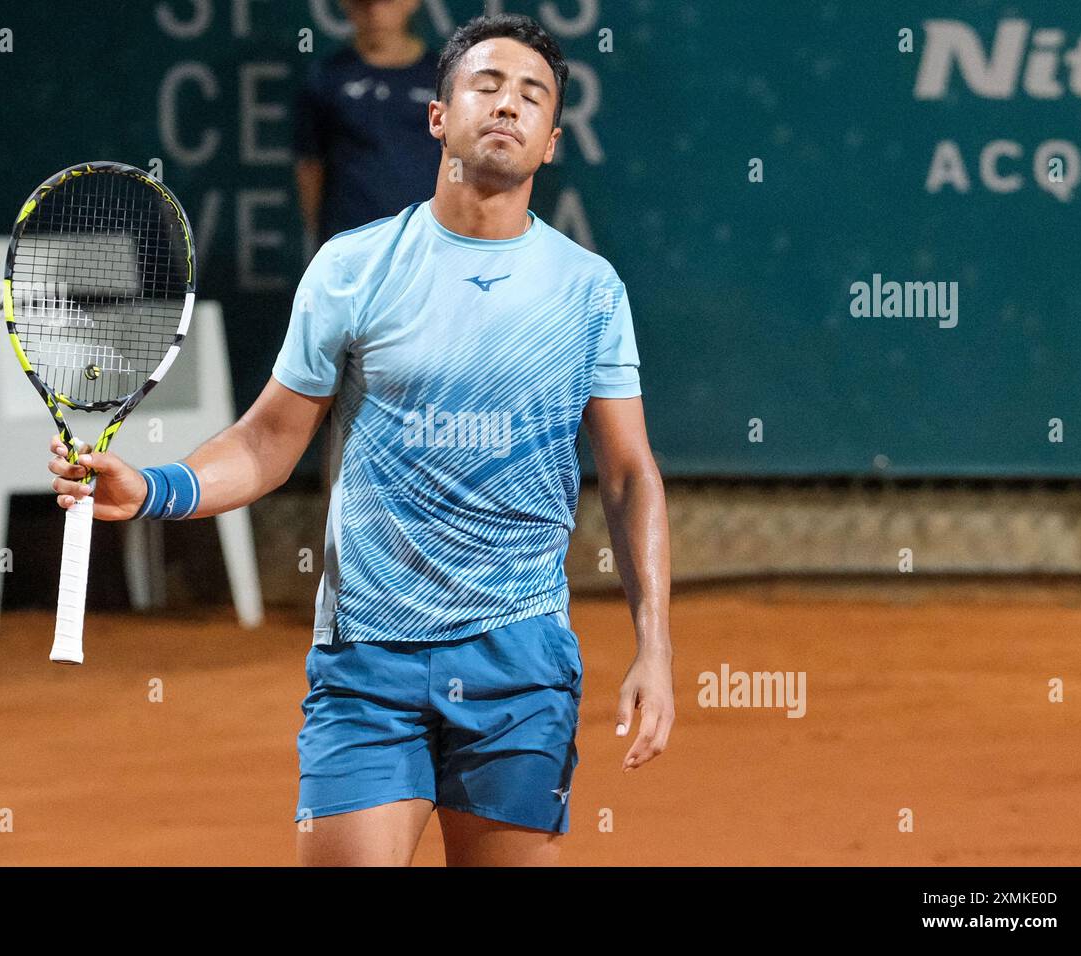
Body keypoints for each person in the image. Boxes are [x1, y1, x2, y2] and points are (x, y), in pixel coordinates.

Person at [47, 12, 674, 867]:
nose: (507, 105)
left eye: (532, 95)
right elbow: (269, 441)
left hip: (522, 660)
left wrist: (655, 647)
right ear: (438, 117)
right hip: (366, 661)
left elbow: (631, 475)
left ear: (551, 141)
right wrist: (155, 487)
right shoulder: (350, 268)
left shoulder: (589, 290)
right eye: (485, 85)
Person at [295, 0, 440, 250]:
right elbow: (310, 166)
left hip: (426, 244)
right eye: (364, 3)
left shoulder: (443, 77)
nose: (375, 13)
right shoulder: (325, 77)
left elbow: (460, 162)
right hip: (350, 244)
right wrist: (322, 244)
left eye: (385, 2)